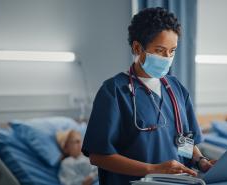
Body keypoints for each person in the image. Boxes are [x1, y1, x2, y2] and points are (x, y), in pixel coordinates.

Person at [82, 7, 215, 184]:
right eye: (160, 50)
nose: (168, 57)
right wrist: (152, 169)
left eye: (172, 50)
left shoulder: (176, 89)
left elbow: (183, 141)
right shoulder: (114, 91)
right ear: (137, 48)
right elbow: (98, 156)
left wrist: (201, 161)